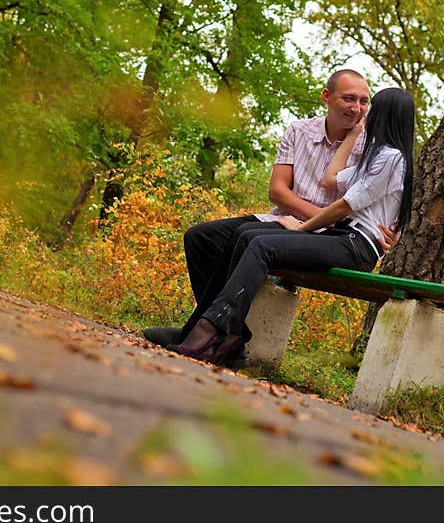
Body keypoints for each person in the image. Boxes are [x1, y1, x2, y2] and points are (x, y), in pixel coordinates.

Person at [143, 70, 396, 366]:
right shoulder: (299, 131)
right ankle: (226, 331)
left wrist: (389, 230)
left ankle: (203, 333)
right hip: (282, 221)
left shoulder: (371, 149)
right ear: (327, 97)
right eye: (349, 98)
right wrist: (300, 220)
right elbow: (278, 191)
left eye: (364, 101)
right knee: (200, 237)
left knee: (247, 236)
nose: (357, 108)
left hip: (327, 237)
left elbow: (380, 199)